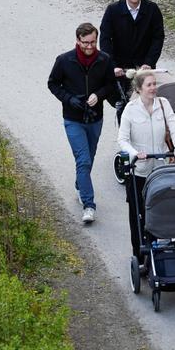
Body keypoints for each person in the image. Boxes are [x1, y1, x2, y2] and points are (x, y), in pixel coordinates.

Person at [47, 22, 118, 225]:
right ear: (77, 41)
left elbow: (110, 84)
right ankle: (89, 205)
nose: (90, 46)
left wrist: (99, 94)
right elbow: (53, 84)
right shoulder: (64, 60)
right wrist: (70, 99)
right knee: (84, 159)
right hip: (73, 119)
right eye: (86, 42)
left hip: (95, 118)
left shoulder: (104, 60)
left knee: (89, 157)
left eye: (93, 42)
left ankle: (80, 184)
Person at [117, 69, 175, 262]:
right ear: (139, 89)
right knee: (138, 214)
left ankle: (158, 251)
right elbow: (122, 139)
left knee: (160, 210)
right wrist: (134, 154)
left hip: (160, 169)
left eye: (155, 84)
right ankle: (139, 254)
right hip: (139, 171)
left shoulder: (164, 105)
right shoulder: (130, 109)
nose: (154, 88)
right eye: (149, 85)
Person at [99, 0, 165, 105]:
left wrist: (149, 62)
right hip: (120, 69)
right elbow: (105, 38)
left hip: (143, 68)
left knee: (146, 103)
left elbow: (158, 38)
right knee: (122, 105)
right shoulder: (113, 10)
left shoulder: (152, 10)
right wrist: (112, 65)